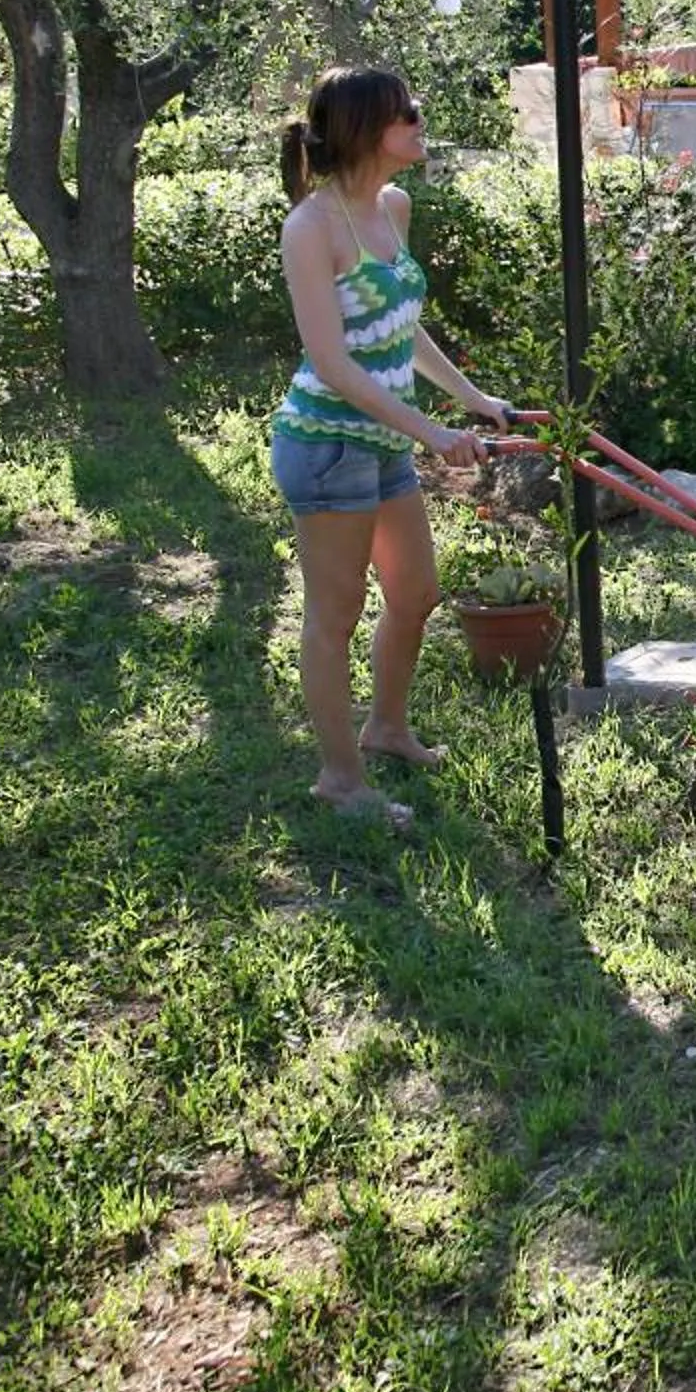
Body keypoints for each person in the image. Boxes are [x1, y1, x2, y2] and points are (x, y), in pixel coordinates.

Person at [268, 68, 510, 828]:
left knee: (414, 595)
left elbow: (401, 327)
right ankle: (341, 780)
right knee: (333, 616)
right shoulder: (312, 227)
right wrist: (433, 432)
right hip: (327, 445)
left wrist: (470, 398)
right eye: (408, 112)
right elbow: (333, 364)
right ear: (370, 128)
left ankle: (388, 729)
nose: (420, 118)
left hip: (383, 442)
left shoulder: (392, 207)